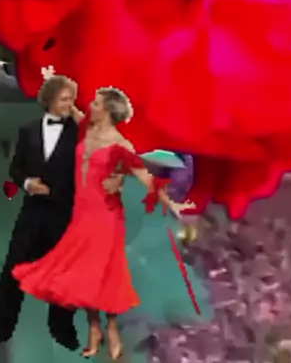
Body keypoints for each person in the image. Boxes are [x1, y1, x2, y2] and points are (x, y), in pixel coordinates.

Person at [12, 77, 195, 360]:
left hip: (105, 215)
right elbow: (73, 111)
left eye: (96, 103)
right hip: (82, 211)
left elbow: (145, 177)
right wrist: (50, 82)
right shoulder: (88, 128)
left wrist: (172, 203)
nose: (91, 106)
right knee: (84, 276)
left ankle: (110, 331)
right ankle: (96, 329)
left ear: (108, 111)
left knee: (103, 276)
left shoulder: (120, 145)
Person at [0, 73, 124, 350]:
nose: (69, 104)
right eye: (64, 99)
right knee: (14, 268)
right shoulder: (28, 131)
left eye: (71, 99)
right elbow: (16, 168)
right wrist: (28, 183)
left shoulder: (81, 134)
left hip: (65, 212)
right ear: (49, 100)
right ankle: (2, 326)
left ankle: (61, 328)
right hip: (33, 209)